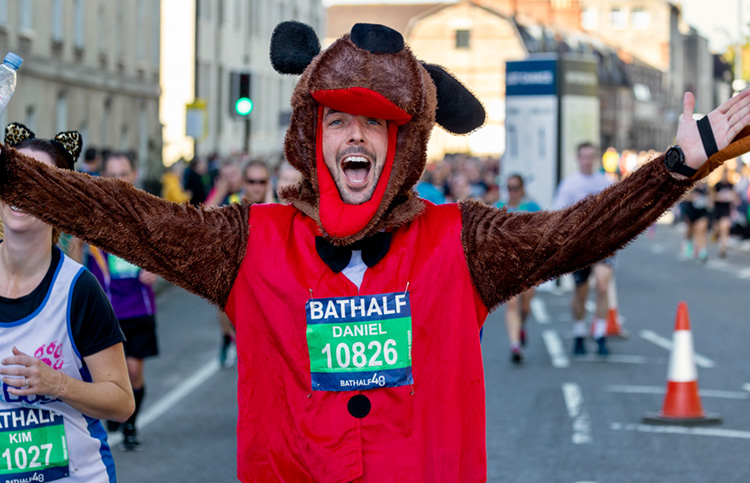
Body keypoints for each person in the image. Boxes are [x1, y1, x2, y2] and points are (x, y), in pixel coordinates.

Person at [1, 21, 749, 483]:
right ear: (312, 138)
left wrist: (677, 167)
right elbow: (124, 217)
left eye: (376, 124)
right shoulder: (245, 242)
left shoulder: (465, 242)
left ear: (404, 145)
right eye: (338, 121)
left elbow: (572, 235)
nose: (355, 136)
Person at [0, 124, 133, 481]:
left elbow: (122, 403)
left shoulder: (79, 290)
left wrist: (56, 384)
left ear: (58, 199)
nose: (20, 191)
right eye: (13, 177)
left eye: (37, 180)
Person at [85, 151, 159, 451]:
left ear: (134, 174)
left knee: (134, 370)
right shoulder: (93, 216)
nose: (118, 179)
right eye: (111, 173)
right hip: (106, 307)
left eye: (123, 172)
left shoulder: (148, 213)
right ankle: (116, 410)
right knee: (104, 373)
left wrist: (156, 269)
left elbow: (167, 251)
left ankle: (130, 424)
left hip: (139, 305)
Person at [553, 142, 616, 356]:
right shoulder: (570, 184)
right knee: (581, 291)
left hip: (602, 244)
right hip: (579, 246)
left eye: (591, 156)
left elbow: (615, 213)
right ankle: (579, 333)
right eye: (584, 157)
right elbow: (558, 215)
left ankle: (600, 335)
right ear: (578, 158)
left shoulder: (605, 182)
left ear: (595, 158)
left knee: (602, 285)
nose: (588, 161)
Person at [496, 174, 541, 363]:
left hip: (528, 263)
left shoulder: (532, 207)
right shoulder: (500, 207)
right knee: (512, 303)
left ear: (522, 189)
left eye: (515, 187)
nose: (511, 191)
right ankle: (515, 345)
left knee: (525, 306)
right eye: (509, 187)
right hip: (508, 263)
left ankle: (521, 326)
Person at [683, 180, 711, 262]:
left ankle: (703, 251)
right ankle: (688, 243)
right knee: (690, 230)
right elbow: (684, 197)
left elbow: (711, 199)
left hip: (702, 212)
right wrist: (692, 196)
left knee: (700, 230)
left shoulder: (707, 187)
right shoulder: (691, 185)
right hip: (690, 211)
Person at [711, 167, 735, 258]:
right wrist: (719, 197)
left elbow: (734, 196)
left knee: (724, 228)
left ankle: (723, 248)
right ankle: (716, 236)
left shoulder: (731, 185)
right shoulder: (717, 185)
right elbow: (712, 197)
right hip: (718, 210)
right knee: (717, 230)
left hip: (726, 210)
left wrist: (730, 197)